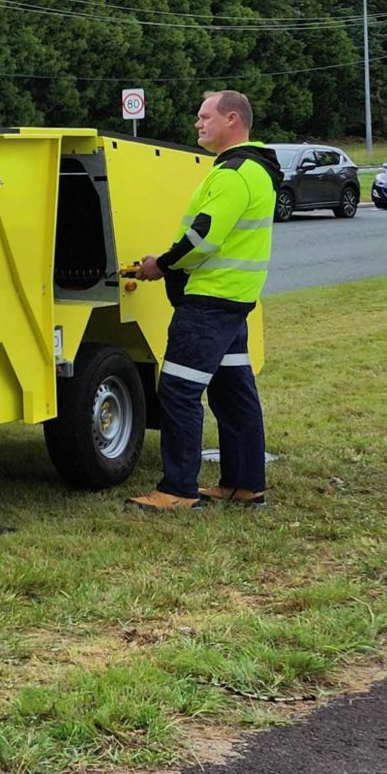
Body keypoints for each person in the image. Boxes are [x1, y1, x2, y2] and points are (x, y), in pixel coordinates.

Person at [129, 88, 280, 513]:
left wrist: (162, 263)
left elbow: (203, 237)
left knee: (177, 390)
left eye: (205, 116)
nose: (198, 124)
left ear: (232, 119)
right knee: (233, 392)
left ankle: (177, 489)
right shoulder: (255, 170)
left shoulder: (233, 173)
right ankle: (244, 484)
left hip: (209, 303)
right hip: (234, 301)